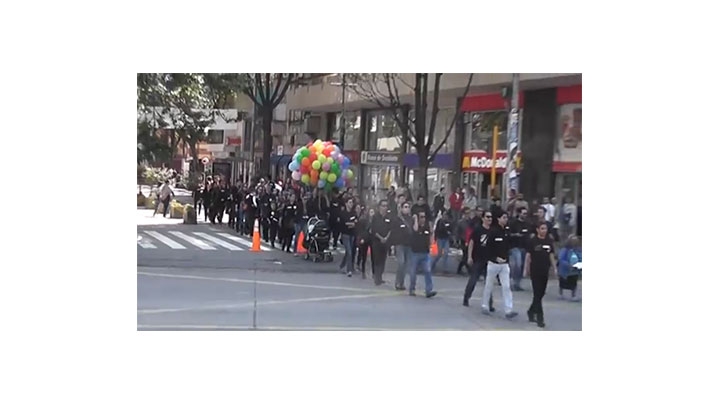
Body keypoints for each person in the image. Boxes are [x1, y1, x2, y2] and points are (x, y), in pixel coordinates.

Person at [480, 211, 518, 318]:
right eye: (504, 217)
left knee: (506, 286)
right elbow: (488, 248)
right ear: (499, 219)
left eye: (506, 218)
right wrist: (495, 258)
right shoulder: (493, 232)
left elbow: (508, 245)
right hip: (493, 263)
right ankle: (485, 305)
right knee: (489, 285)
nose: (506, 220)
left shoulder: (507, 231)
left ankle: (508, 309)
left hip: (504, 264)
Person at [524, 222, 557, 328]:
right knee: (537, 293)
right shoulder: (533, 241)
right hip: (535, 270)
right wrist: (526, 269)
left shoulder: (549, 241)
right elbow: (528, 256)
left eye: (545, 229)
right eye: (542, 228)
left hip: (545, 270)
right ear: (537, 230)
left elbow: (551, 255)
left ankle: (531, 310)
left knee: (541, 293)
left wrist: (554, 268)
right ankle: (540, 318)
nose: (544, 230)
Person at [463, 209, 495, 311]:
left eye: (491, 217)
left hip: (489, 259)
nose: (489, 219)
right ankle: (466, 297)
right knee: (473, 280)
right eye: (487, 217)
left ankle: (489, 303)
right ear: (483, 218)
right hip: (478, 258)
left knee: (489, 282)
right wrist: (469, 257)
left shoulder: (493, 231)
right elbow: (471, 243)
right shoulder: (478, 230)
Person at [407, 212, 437, 298]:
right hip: (415, 253)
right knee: (413, 272)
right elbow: (415, 229)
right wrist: (415, 219)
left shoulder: (427, 227)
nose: (423, 219)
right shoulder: (415, 226)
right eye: (421, 217)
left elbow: (431, 239)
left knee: (427, 271)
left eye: (424, 217)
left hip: (425, 253)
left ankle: (429, 290)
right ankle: (412, 289)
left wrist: (432, 232)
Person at [369, 200, 393, 286]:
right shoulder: (375, 217)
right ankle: (377, 277)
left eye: (386, 206)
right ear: (379, 207)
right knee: (377, 259)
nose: (384, 208)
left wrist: (386, 238)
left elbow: (391, 229)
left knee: (383, 259)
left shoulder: (389, 217)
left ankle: (380, 276)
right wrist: (380, 238)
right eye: (383, 206)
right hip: (376, 241)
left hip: (386, 241)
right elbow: (373, 229)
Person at [509, 207, 532, 291]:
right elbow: (508, 234)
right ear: (519, 213)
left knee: (522, 265)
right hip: (515, 246)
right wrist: (516, 235)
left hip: (524, 247)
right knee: (517, 264)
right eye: (523, 213)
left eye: (526, 213)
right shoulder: (513, 223)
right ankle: (513, 280)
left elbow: (530, 233)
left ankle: (517, 283)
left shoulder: (528, 223)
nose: (525, 215)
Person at [392, 201, 414, 290]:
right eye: (405, 207)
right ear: (401, 208)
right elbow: (394, 232)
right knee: (401, 263)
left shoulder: (411, 219)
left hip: (409, 244)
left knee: (406, 265)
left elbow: (414, 230)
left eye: (408, 207)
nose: (406, 209)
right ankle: (397, 282)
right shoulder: (397, 219)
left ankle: (401, 283)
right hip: (399, 243)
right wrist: (393, 245)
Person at [338, 198, 358, 277]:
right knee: (349, 251)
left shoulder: (353, 213)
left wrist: (352, 224)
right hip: (345, 234)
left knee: (348, 251)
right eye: (349, 202)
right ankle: (349, 270)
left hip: (352, 234)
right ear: (346, 204)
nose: (351, 204)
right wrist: (351, 224)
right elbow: (344, 223)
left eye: (352, 203)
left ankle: (342, 264)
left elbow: (356, 221)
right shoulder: (343, 213)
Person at [558, 236, 582, 301]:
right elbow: (561, 259)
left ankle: (573, 295)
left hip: (574, 270)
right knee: (562, 282)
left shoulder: (579, 250)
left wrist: (579, 264)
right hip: (565, 270)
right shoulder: (565, 250)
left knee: (573, 283)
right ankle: (561, 293)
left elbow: (581, 257)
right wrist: (567, 264)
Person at [355, 206, 374, 279]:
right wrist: (362, 238)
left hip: (372, 239)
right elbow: (362, 230)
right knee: (364, 256)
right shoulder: (364, 220)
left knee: (373, 257)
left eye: (373, 212)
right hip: (365, 239)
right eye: (371, 212)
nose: (372, 214)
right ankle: (363, 271)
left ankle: (374, 272)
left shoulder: (375, 221)